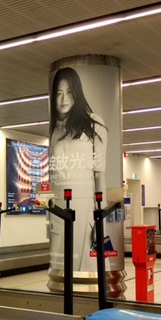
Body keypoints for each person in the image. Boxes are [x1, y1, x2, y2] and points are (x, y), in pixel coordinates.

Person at [49, 67, 107, 270]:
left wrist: (101, 218)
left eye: (69, 92)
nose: (64, 99)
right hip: (59, 206)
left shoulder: (94, 124)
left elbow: (99, 174)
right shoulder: (54, 131)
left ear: (77, 92)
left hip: (85, 204)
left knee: (86, 266)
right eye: (59, 93)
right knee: (62, 267)